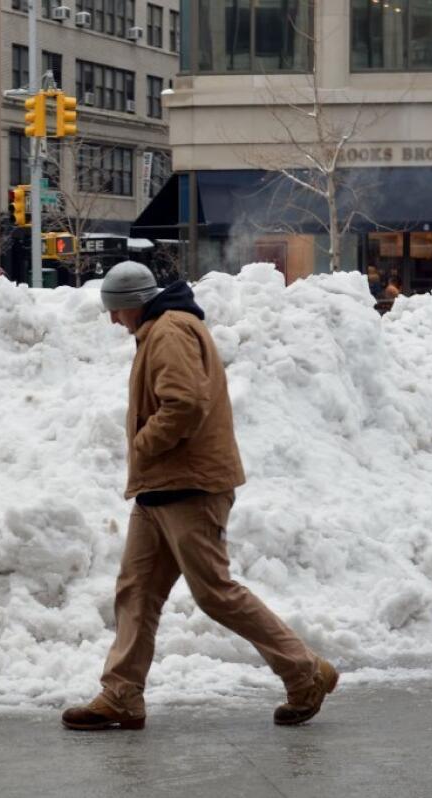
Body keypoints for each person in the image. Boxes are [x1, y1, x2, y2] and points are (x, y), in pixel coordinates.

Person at [62, 261, 337, 731]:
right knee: (137, 591)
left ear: (135, 303)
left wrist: (143, 443)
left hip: (189, 485)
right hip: (161, 488)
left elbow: (185, 403)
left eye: (117, 311)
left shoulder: (168, 331)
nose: (113, 320)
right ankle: (122, 693)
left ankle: (304, 670)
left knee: (215, 593)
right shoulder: (160, 329)